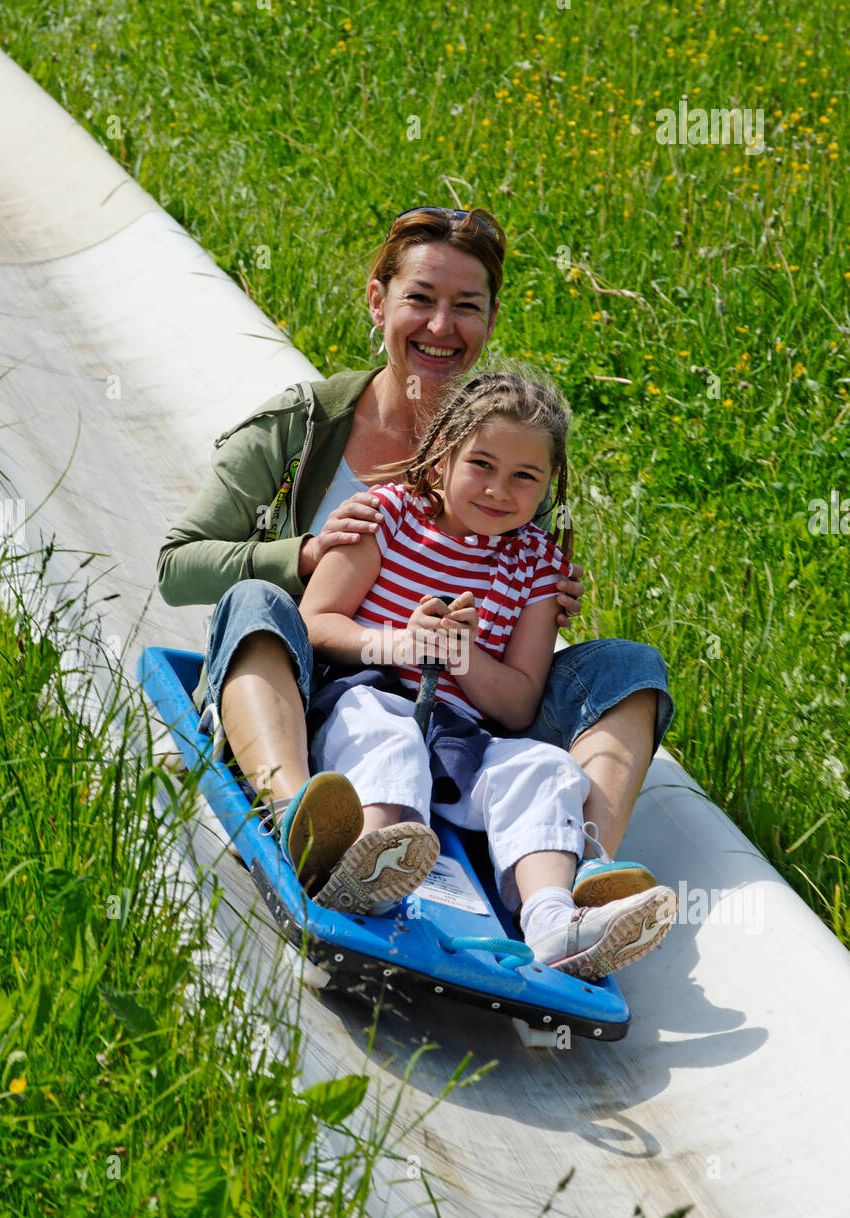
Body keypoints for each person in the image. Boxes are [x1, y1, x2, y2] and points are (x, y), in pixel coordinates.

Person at [156, 207, 673, 903]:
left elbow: (509, 614)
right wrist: (308, 554)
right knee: (258, 604)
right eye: (420, 300)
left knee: (628, 668)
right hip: (318, 683)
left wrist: (545, 600)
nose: (440, 327)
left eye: (466, 306)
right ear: (378, 300)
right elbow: (177, 565)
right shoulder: (303, 426)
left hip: (460, 706)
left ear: (489, 320)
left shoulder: (515, 449)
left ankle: (577, 874)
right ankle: (306, 818)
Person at [298, 371, 677, 976]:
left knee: (545, 766)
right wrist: (398, 642)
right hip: (361, 702)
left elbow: (519, 707)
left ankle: (554, 922)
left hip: (461, 742)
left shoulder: (538, 568)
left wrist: (464, 658)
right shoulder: (388, 516)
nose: (500, 490)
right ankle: (364, 859)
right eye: (481, 464)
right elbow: (313, 622)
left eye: (525, 476)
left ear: (550, 484)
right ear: (443, 456)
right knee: (389, 731)